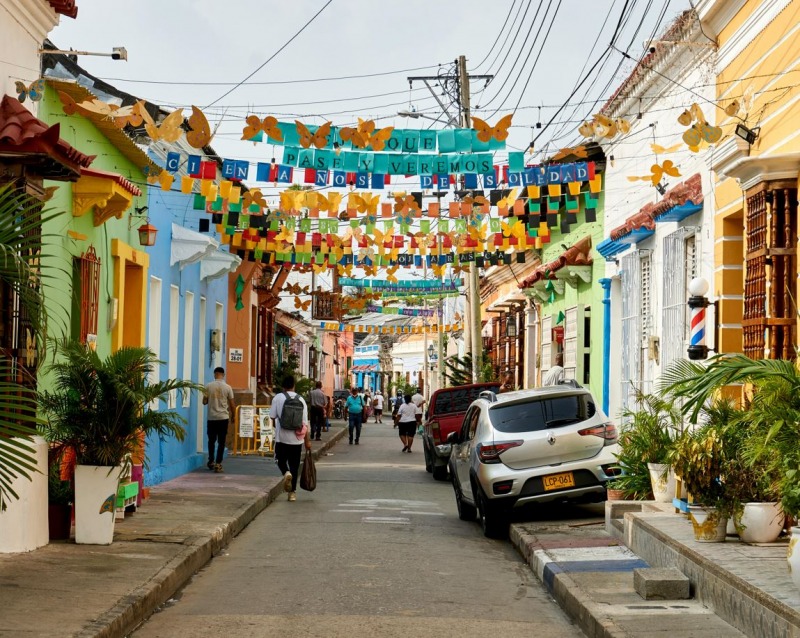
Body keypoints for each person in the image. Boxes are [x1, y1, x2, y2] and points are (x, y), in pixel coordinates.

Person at [269, 375, 312, 502]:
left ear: (283, 386)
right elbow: (305, 423)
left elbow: (272, 416)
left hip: (282, 438)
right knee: (295, 464)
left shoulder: (278, 398)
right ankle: (292, 493)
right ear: (294, 385)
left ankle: (286, 473)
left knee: (280, 460)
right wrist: (307, 441)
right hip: (297, 440)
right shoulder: (301, 399)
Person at [203, 367, 236, 473]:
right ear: (223, 374)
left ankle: (211, 461)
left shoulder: (208, 386)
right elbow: (232, 404)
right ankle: (218, 463)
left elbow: (204, 402)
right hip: (223, 418)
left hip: (211, 418)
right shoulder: (228, 387)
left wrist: (209, 398)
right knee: (221, 442)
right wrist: (233, 416)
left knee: (211, 441)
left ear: (214, 374)